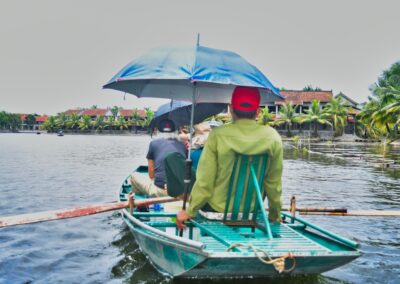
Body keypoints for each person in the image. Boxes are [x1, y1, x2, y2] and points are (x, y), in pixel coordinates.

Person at [176, 86, 283, 229]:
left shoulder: (217, 135)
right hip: (252, 212)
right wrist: (275, 215)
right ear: (258, 111)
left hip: (215, 211)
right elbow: (273, 185)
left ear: (231, 109)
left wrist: (190, 211)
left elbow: (205, 182)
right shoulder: (273, 137)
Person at [130, 119, 187, 197]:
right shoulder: (183, 145)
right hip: (181, 193)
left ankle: (139, 204)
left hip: (161, 192)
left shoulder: (153, 144)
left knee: (134, 176)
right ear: (175, 131)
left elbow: (151, 175)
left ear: (158, 131)